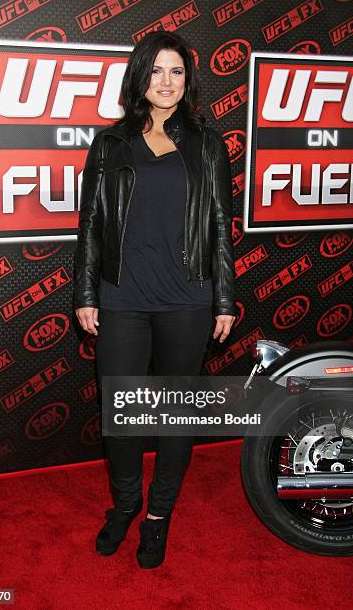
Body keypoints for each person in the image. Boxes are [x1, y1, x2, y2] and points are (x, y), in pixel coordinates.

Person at [73, 30, 236, 569]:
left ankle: (159, 516)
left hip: (188, 298)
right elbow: (91, 224)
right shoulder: (110, 142)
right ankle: (124, 505)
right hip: (122, 297)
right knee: (120, 416)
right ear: (140, 77)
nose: (166, 82)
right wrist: (86, 291)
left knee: (176, 416)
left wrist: (224, 300)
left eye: (177, 73)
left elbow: (218, 225)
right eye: (157, 71)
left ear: (188, 82)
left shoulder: (208, 144)